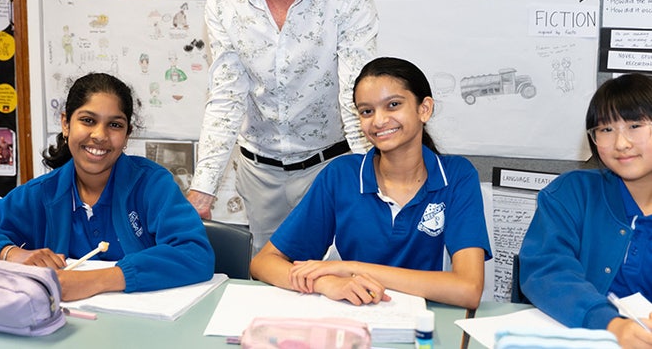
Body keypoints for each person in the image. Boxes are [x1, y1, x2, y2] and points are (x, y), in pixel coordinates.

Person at [187, 0, 378, 251]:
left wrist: (369, 176)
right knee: (269, 281)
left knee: (336, 283)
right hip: (258, 174)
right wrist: (203, 188)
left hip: (331, 167)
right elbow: (226, 93)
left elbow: (357, 92)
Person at [0, 72, 214, 301]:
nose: (100, 136)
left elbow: (196, 253)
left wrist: (96, 280)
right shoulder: (41, 194)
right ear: (66, 123)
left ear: (127, 135)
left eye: (114, 125)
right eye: (88, 120)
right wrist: (12, 254)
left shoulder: (152, 185)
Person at [250, 57, 491, 309]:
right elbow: (264, 263)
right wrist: (326, 283)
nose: (378, 121)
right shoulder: (341, 175)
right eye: (367, 111)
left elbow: (468, 289)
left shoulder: (457, 175)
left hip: (424, 323)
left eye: (393, 105)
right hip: (352, 318)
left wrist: (351, 269)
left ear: (424, 109)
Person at [519, 73, 652, 348]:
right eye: (605, 130)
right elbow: (547, 270)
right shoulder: (571, 193)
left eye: (635, 125)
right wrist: (610, 324)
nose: (621, 143)